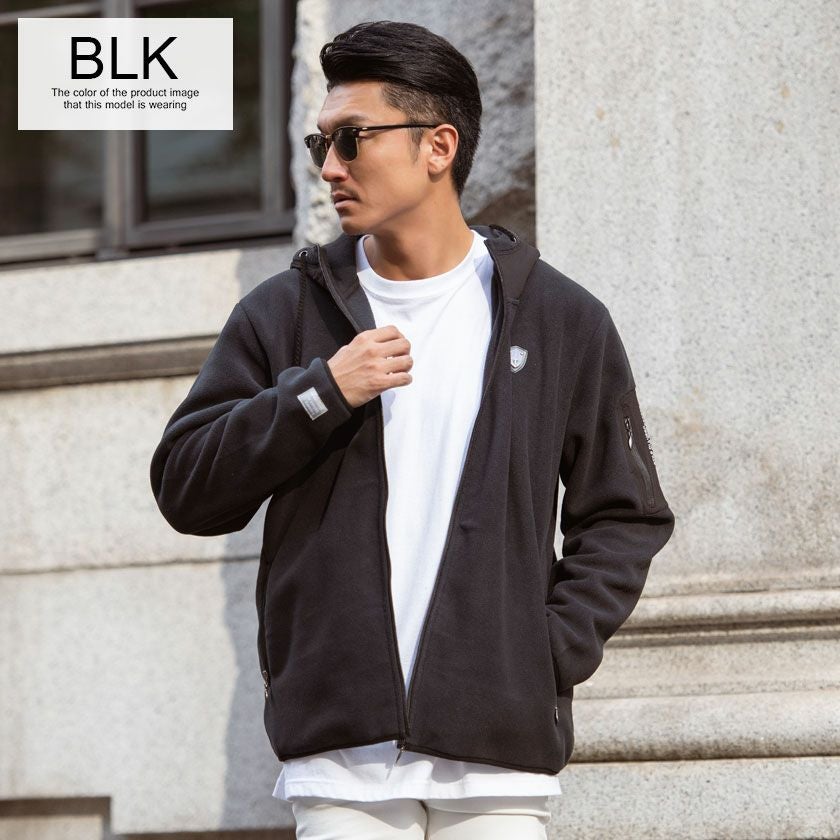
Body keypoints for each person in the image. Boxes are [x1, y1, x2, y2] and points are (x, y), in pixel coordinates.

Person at [150, 19, 675, 840]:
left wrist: (543, 651)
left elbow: (625, 513)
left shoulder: (559, 318)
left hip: (497, 757)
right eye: (320, 142)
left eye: (352, 139)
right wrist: (320, 393)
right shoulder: (285, 313)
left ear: (438, 146)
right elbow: (186, 486)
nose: (329, 166)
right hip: (341, 760)